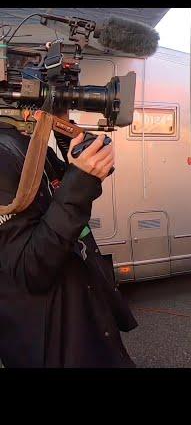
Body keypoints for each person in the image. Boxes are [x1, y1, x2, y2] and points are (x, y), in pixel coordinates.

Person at [0, 116, 137, 367]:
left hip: (84, 315)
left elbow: (71, 196)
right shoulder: (4, 154)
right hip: (53, 340)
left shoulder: (31, 145)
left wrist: (74, 152)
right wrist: (79, 183)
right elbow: (30, 269)